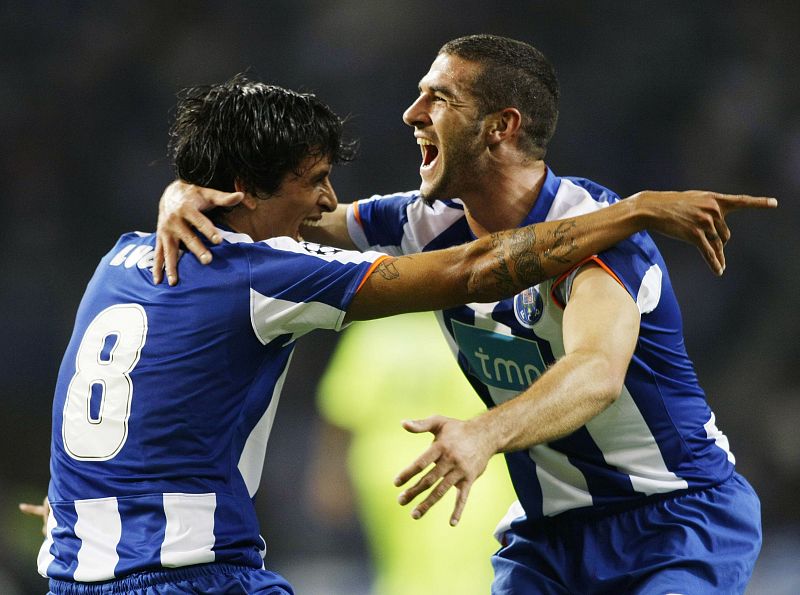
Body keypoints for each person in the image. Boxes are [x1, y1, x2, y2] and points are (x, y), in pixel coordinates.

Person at [32, 73, 739, 595]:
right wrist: (638, 210)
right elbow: (474, 269)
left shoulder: (121, 257)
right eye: (312, 179)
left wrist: (179, 189)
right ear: (247, 187)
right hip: (197, 576)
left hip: (73, 566)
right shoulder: (270, 274)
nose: (327, 200)